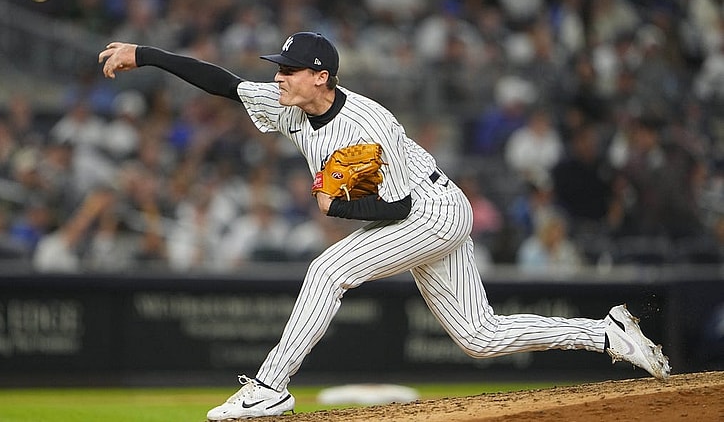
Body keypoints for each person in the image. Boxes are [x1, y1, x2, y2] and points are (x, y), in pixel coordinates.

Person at [98, 31, 671, 420]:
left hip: (433, 212)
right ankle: (605, 332)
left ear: (321, 76)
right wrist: (145, 54)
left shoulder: (365, 124)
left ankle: (269, 388)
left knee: (327, 270)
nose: (278, 77)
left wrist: (335, 205)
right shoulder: (291, 103)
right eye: (280, 69)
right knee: (480, 337)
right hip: (417, 214)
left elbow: (394, 211)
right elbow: (222, 83)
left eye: (289, 70)